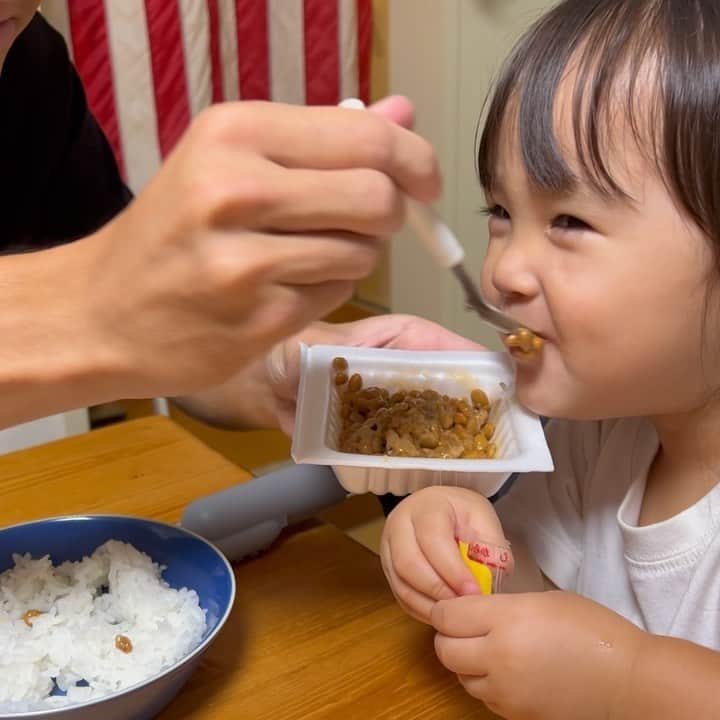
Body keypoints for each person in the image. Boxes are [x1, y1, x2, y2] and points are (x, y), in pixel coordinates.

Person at [372, 1, 720, 718]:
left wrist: (628, 685)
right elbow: (536, 598)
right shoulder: (604, 431)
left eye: (568, 220)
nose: (504, 271)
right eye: (500, 212)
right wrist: (467, 552)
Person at [0, 4, 444, 430]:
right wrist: (100, 302)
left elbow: (165, 333)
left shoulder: (32, 67)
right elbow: (129, 312)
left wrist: (297, 365)